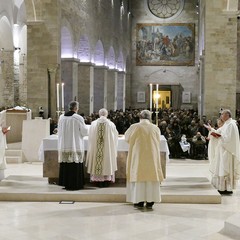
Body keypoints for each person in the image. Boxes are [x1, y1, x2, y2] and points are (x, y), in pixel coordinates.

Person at [125, 110, 164, 210]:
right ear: (149, 118)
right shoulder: (155, 127)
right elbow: (158, 140)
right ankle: (151, 201)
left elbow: (127, 138)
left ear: (140, 117)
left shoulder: (135, 127)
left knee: (139, 176)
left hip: (139, 156)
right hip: (151, 156)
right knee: (151, 177)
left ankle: (139, 200)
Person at [204, 109, 240, 194]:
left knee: (225, 168)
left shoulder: (231, 124)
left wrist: (219, 136)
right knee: (221, 168)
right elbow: (219, 132)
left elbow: (228, 139)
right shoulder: (226, 124)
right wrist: (211, 129)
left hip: (227, 151)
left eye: (222, 115)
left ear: (227, 115)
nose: (221, 117)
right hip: (222, 150)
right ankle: (222, 187)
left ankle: (227, 188)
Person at [57, 101, 88, 190]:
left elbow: (59, 130)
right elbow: (84, 132)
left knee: (66, 164)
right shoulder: (78, 118)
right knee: (74, 164)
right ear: (76, 108)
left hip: (64, 144)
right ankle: (75, 184)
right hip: (75, 144)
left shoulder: (62, 117)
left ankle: (66, 183)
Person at [86, 108, 118, 187]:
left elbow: (90, 137)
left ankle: (97, 181)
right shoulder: (111, 124)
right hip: (107, 150)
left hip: (96, 149)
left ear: (99, 114)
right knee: (107, 162)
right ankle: (106, 181)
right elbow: (115, 137)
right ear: (106, 114)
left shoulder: (93, 124)